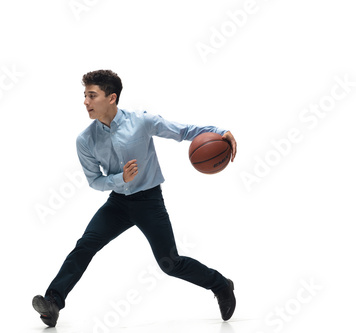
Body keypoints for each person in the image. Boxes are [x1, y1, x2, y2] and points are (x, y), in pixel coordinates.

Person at [32, 69, 237, 327]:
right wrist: (121, 180)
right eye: (84, 95)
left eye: (92, 96)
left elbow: (182, 131)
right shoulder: (85, 140)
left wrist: (220, 131)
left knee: (170, 263)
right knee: (85, 245)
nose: (85, 102)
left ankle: (220, 284)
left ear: (112, 98)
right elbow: (95, 181)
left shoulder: (140, 121)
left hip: (149, 201)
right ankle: (52, 303)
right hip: (118, 203)